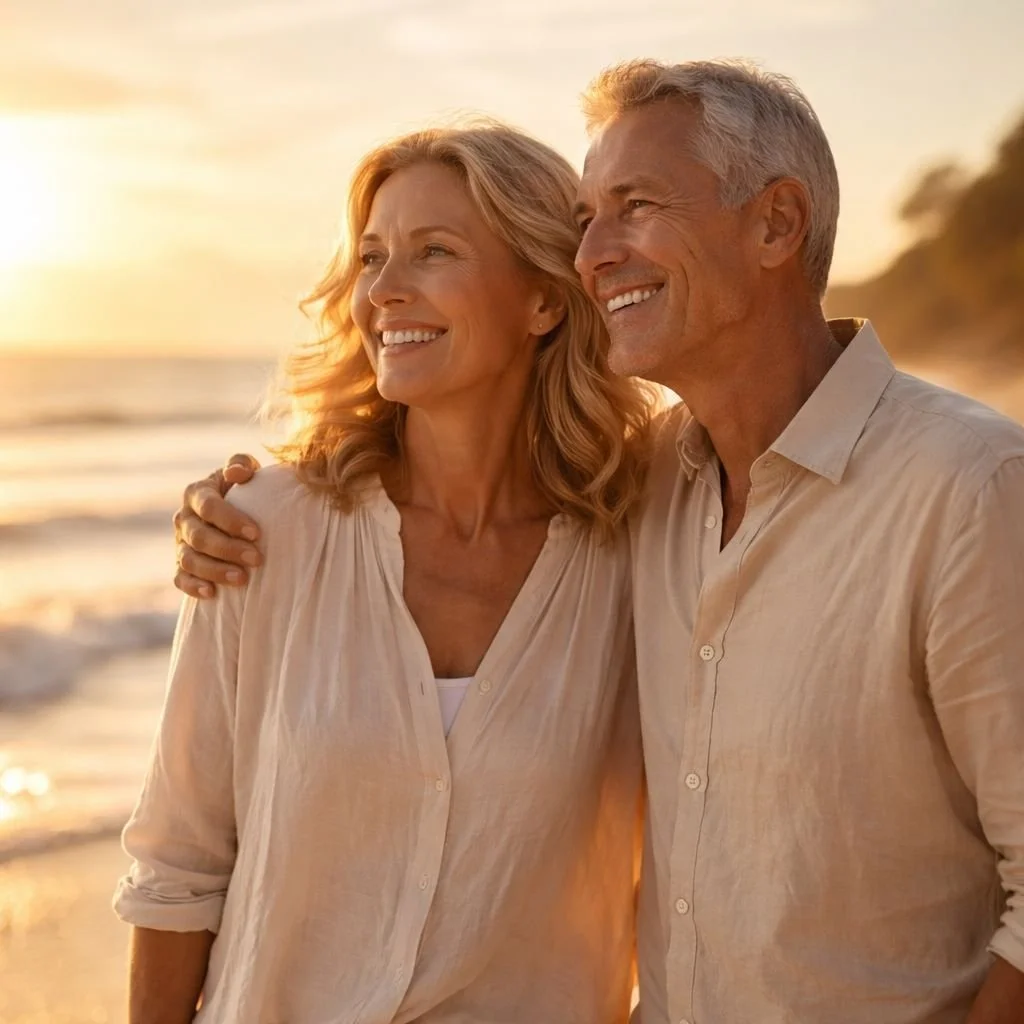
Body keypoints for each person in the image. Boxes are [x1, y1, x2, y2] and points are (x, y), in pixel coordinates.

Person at [173, 60, 1024, 1024]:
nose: (593, 256)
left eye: (635, 206)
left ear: (776, 224)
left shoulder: (970, 489)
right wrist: (231, 508)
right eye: (586, 220)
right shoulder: (646, 492)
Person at [115, 120, 657, 1023]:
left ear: (546, 301)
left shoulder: (640, 548)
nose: (384, 292)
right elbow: (179, 863)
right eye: (371, 258)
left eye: (433, 252)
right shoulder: (262, 530)